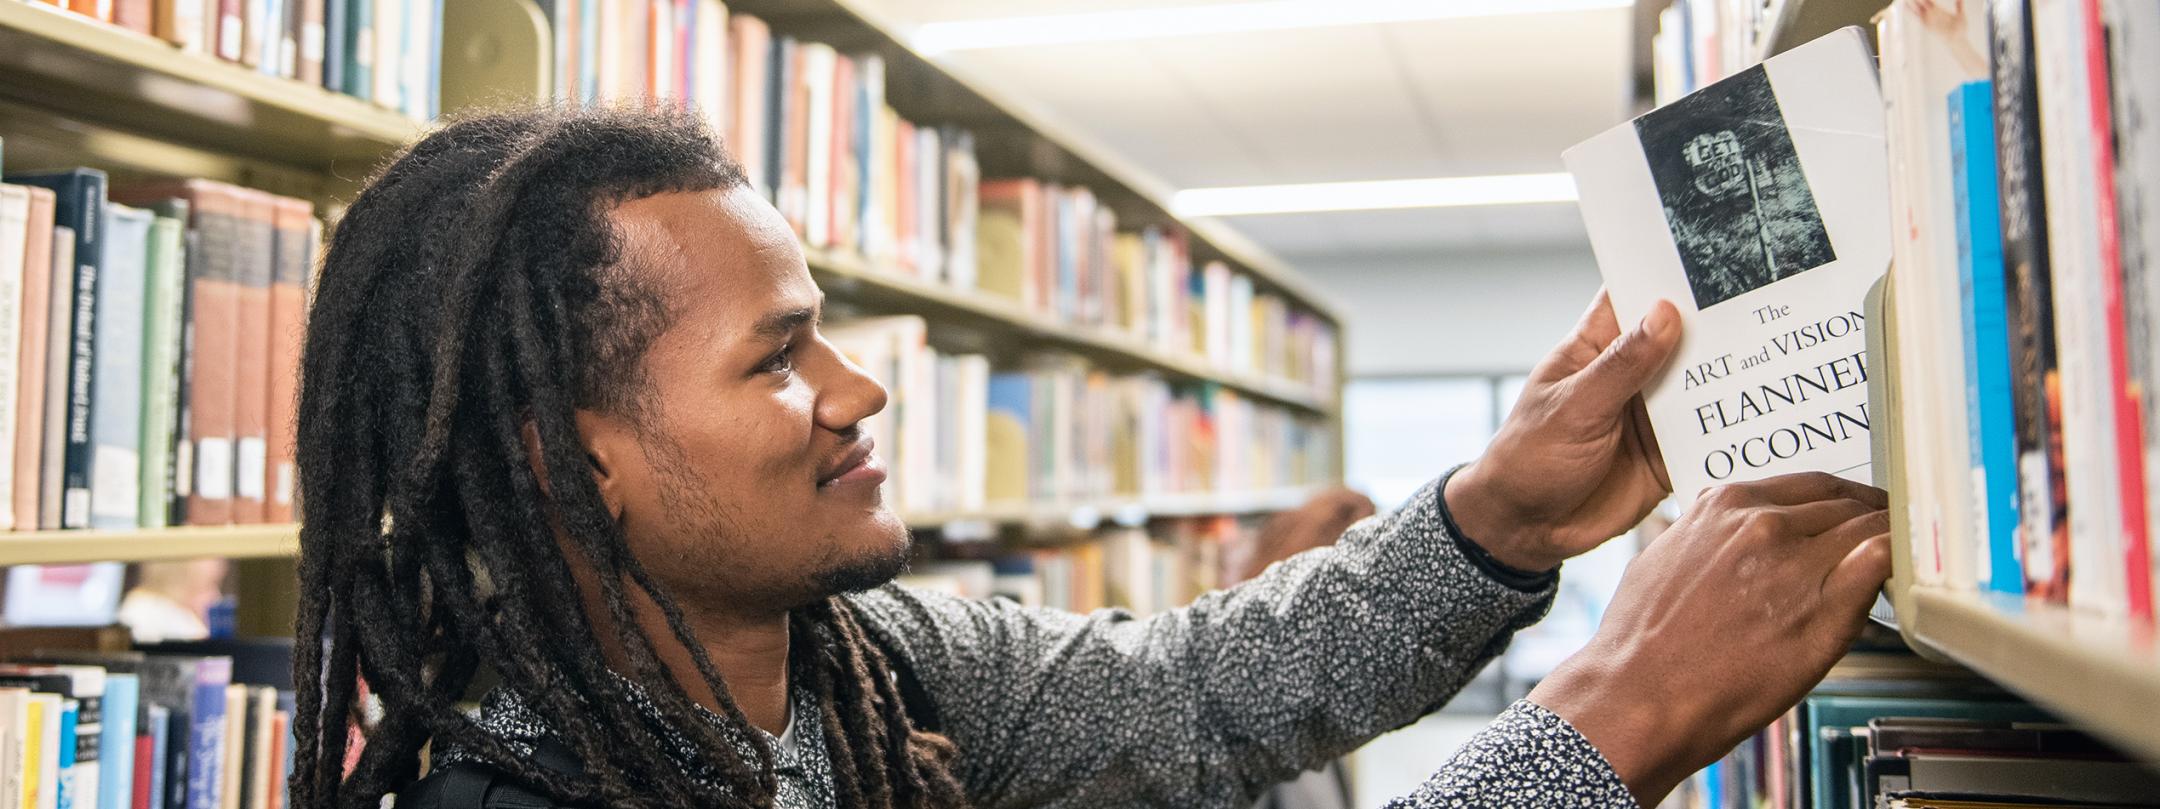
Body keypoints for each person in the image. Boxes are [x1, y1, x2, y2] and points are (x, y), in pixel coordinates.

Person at [290, 106, 1890, 809]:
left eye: (825, 327)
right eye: (778, 358)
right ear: (567, 463)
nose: (860, 390)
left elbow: (1195, 690)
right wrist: (1615, 716)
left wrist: (1492, 519)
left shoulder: (863, 668)